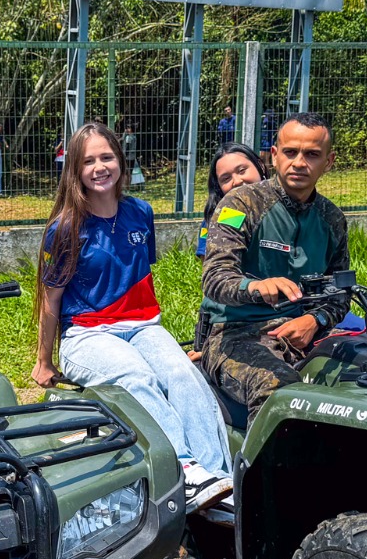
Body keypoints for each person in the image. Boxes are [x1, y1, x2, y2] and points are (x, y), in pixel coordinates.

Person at [33, 123, 233, 510]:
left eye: (106, 157)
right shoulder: (64, 228)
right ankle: (183, 468)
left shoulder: (141, 212)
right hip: (87, 334)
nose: (99, 167)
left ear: (121, 163)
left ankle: (219, 479)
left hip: (143, 326)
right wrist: (44, 360)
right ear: (74, 170)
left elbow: (138, 272)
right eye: (88, 161)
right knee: (136, 378)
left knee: (181, 374)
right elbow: (50, 300)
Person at [199, 112, 350, 416]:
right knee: (278, 390)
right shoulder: (240, 204)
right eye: (291, 152)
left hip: (304, 333)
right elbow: (215, 277)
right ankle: (262, 463)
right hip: (236, 335)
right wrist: (254, 287)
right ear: (275, 155)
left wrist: (315, 320)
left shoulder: (332, 219)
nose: (299, 162)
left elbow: (340, 291)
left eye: (312, 154)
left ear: (329, 161)